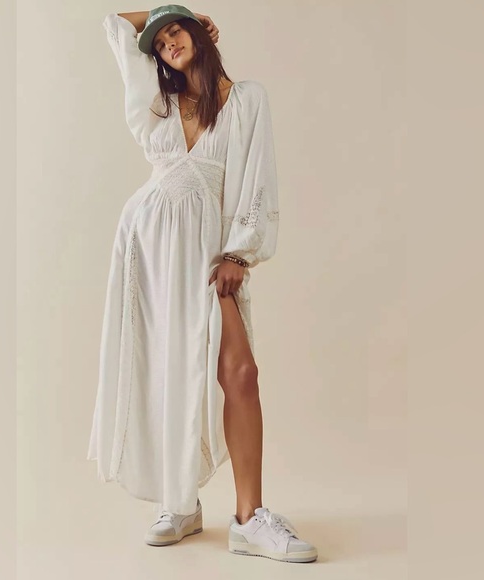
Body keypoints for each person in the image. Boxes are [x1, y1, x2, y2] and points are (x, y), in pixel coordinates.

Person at [86, 4, 318, 563]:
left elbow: (256, 175)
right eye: (160, 40)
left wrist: (238, 251)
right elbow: (115, 23)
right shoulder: (159, 104)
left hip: (206, 250)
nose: (168, 41)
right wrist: (168, 13)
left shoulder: (245, 100)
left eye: (177, 31)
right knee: (165, 367)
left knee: (240, 372)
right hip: (147, 246)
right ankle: (180, 502)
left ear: (200, 33)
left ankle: (249, 519)